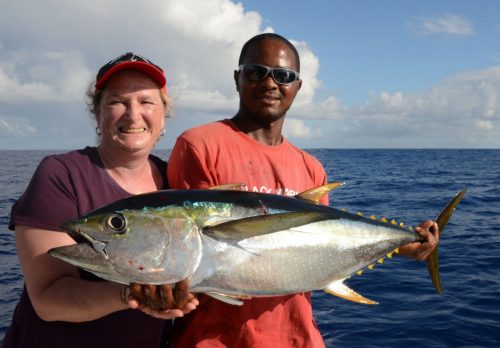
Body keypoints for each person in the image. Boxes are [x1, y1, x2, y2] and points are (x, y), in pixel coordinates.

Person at [166, 33, 439, 347]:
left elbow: (321, 247)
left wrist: (404, 245)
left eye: (283, 76)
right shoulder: (201, 145)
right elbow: (191, 252)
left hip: (300, 338)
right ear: (237, 77)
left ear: (297, 87)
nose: (270, 83)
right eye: (256, 72)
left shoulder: (311, 168)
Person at [3, 52, 198, 348]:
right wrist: (133, 294)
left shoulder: (175, 181)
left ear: (163, 114)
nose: (133, 114)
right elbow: (47, 298)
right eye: (118, 101)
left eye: (146, 102)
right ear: (97, 113)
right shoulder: (61, 174)